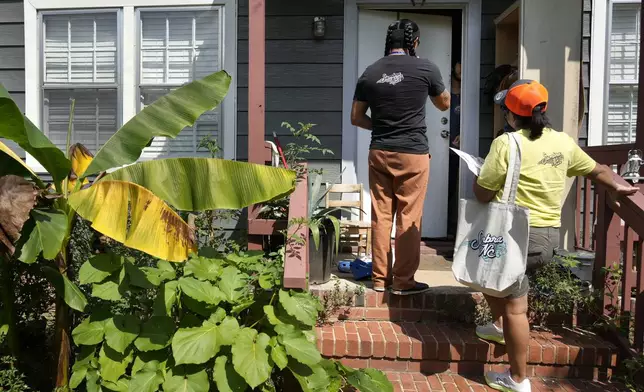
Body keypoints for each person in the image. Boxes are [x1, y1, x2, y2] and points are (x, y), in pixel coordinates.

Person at [473, 79, 639, 392]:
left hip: (513, 236)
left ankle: (518, 378)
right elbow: (597, 170)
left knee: (515, 307)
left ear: (511, 115)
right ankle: (497, 328)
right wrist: (617, 183)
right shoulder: (562, 142)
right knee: (490, 278)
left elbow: (482, 193)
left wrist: (480, 177)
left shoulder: (507, 144)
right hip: (546, 239)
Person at [351, 19, 450, 295]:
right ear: (414, 42)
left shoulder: (370, 72)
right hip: (412, 153)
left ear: (388, 42)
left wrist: (382, 126)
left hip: (380, 151)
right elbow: (444, 104)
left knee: (381, 216)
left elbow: (356, 118)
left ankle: (381, 280)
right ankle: (404, 282)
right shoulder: (426, 67)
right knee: (409, 217)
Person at [447, 61, 461, 238]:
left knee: (455, 189)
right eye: (459, 64)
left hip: (460, 149)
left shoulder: (468, 94)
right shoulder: (445, 93)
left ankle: (452, 227)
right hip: (442, 147)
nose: (462, 68)